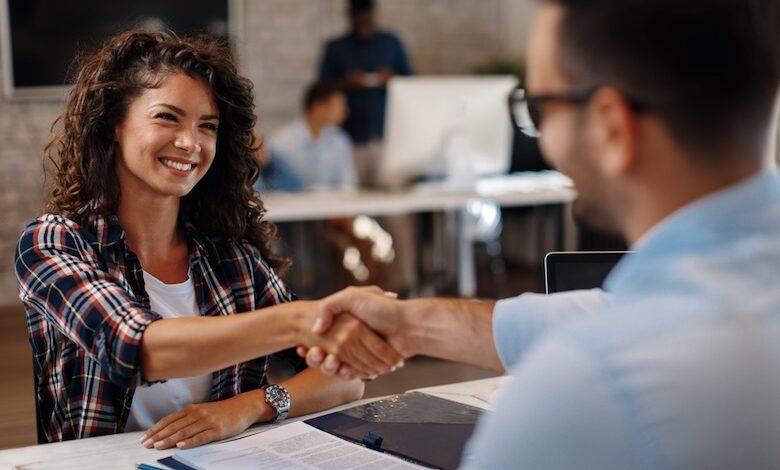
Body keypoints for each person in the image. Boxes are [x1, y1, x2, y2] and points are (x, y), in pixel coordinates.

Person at [302, 0, 780, 467]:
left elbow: (600, 337)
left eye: (540, 107)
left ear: (612, 127)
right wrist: (406, 324)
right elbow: (591, 313)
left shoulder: (582, 390)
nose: (542, 137)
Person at [13, 29, 402, 447]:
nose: (190, 143)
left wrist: (250, 406)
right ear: (113, 125)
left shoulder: (231, 258)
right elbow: (139, 349)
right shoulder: (53, 242)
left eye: (208, 126)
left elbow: (345, 379)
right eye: (168, 117)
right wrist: (303, 321)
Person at [318, 0, 413, 185]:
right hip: (350, 136)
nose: (363, 24)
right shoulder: (336, 48)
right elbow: (321, 88)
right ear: (351, 18)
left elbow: (411, 82)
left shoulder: (391, 43)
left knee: (393, 201)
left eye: (366, 19)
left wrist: (393, 79)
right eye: (358, 20)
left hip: (388, 134)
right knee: (354, 196)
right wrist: (346, 82)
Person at [264, 81, 357, 191]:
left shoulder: (340, 141)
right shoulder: (281, 143)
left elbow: (348, 186)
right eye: (339, 106)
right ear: (318, 107)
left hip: (332, 206)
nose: (345, 112)